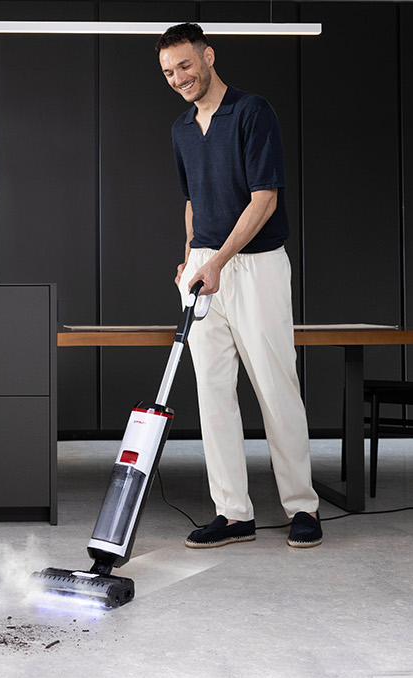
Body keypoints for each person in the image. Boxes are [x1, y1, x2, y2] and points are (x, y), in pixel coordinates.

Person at [156, 23, 322, 548]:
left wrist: (219, 261)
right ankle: (233, 513)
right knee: (212, 394)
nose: (179, 78)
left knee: (276, 389)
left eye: (185, 65)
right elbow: (191, 205)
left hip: (255, 264)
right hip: (205, 270)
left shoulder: (253, 112)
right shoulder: (182, 128)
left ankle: (302, 507)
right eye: (168, 72)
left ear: (208, 55)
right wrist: (190, 264)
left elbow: (264, 198)